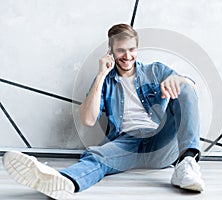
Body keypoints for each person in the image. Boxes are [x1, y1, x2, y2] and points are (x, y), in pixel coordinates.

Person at [2, 23, 205, 199]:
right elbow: (88, 120)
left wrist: (180, 80)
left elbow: (192, 92)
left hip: (162, 141)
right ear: (111, 51)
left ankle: (186, 163)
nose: (127, 56)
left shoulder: (156, 70)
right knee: (96, 156)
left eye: (132, 49)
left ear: (138, 48)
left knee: (186, 86)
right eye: (120, 50)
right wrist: (100, 75)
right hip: (127, 144)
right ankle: (64, 182)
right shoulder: (105, 82)